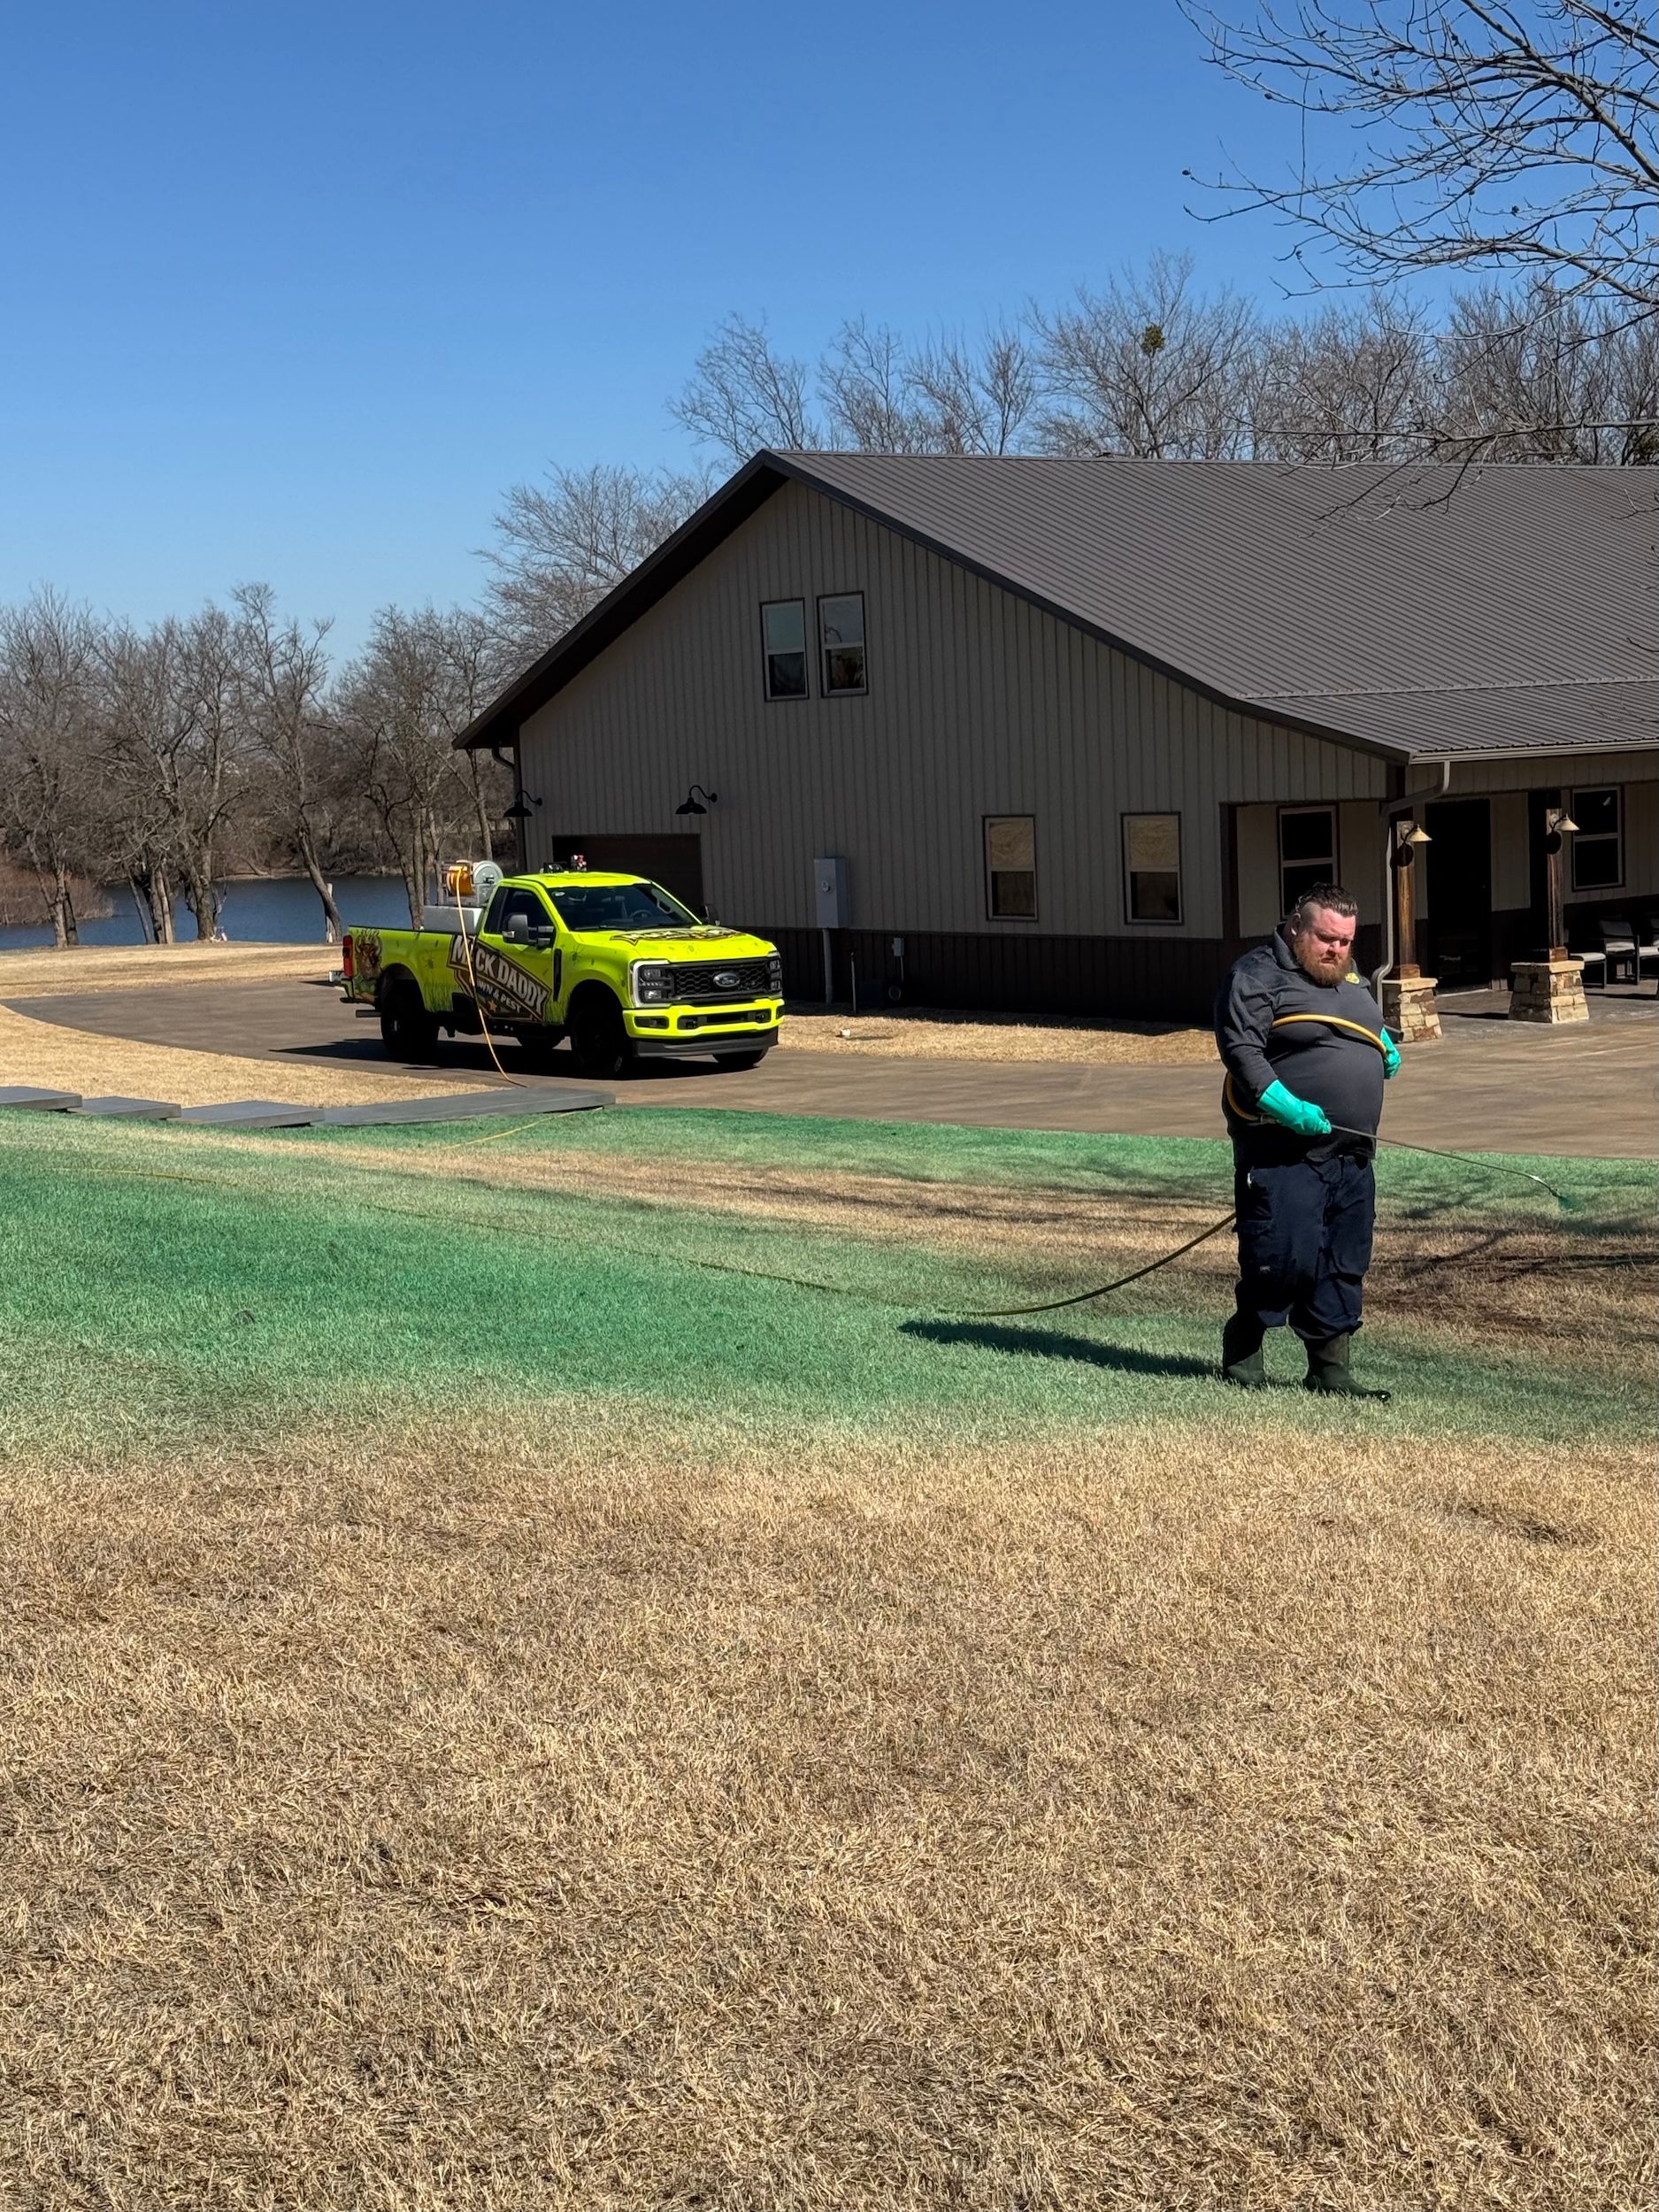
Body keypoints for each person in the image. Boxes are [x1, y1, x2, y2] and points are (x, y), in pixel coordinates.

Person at [1214, 883, 1401, 1397]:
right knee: (1283, 1253)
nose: (1337, 950)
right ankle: (1245, 1347)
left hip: (1352, 1153)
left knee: (1344, 1257)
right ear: (1296, 925)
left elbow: (1361, 1016)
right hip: (1281, 1148)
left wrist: (1381, 1042)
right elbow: (1241, 1052)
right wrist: (1286, 1107)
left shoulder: (1349, 973)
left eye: (1345, 941)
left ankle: (1329, 1367)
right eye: (1326, 938)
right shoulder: (1256, 975)